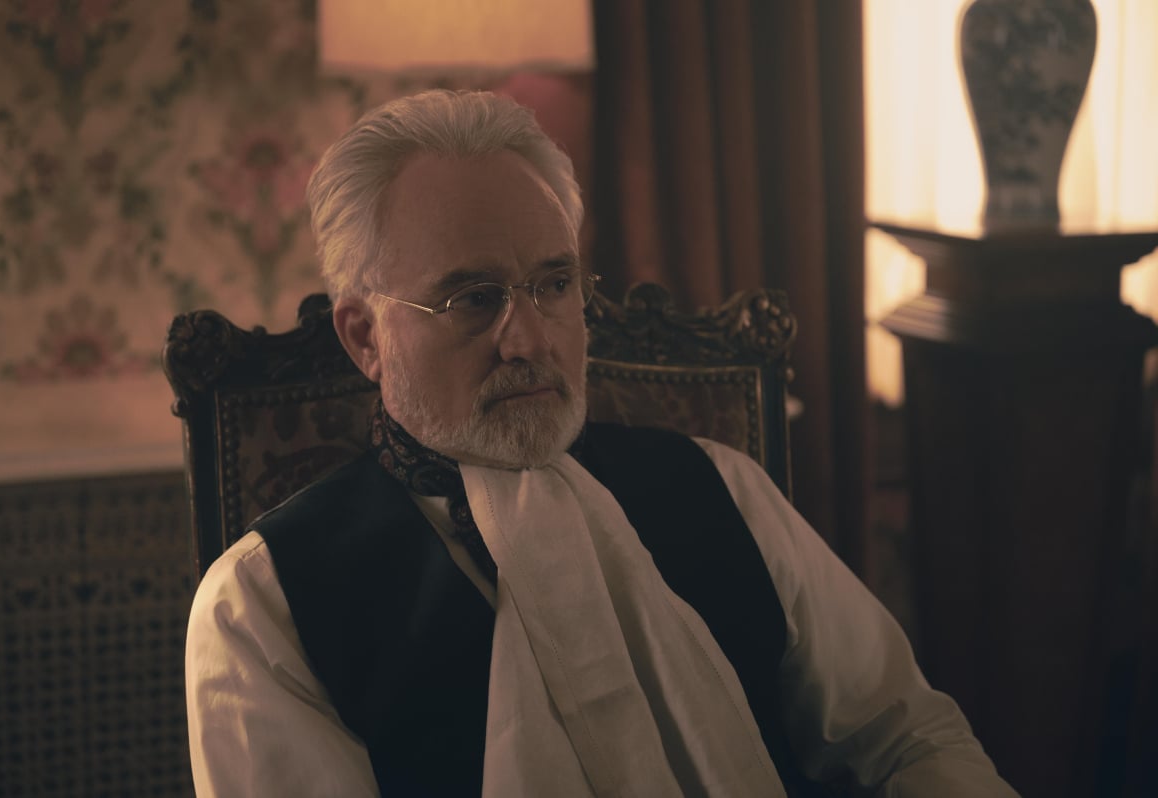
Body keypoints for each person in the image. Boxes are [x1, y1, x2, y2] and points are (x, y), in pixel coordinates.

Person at [184, 89, 1018, 797]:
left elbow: (908, 737)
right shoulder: (263, 607)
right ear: (365, 337)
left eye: (553, 284)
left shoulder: (719, 485)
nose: (528, 340)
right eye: (473, 299)